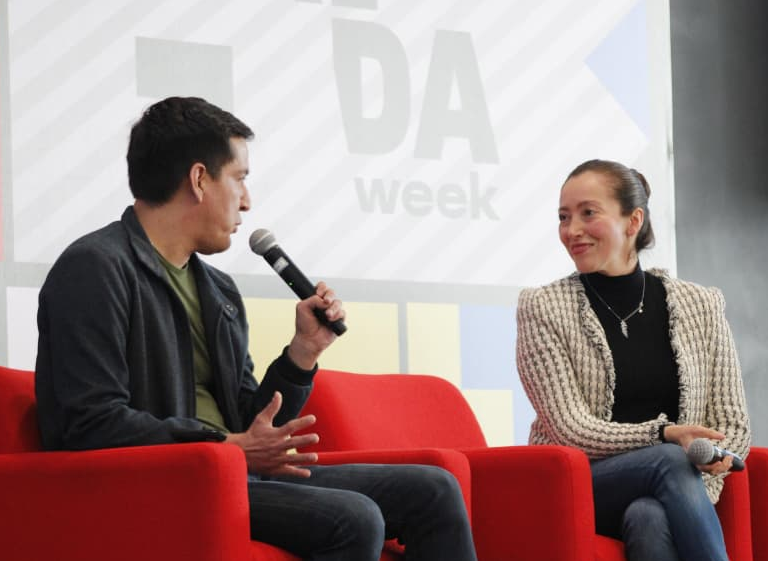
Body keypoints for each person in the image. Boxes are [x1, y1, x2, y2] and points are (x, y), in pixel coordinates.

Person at [35, 96, 477, 561]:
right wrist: (226, 447)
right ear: (199, 179)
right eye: (240, 178)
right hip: (167, 482)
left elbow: (251, 422)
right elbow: (90, 422)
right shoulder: (96, 268)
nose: (247, 201)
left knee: (435, 489)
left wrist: (303, 352)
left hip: (232, 472)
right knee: (355, 517)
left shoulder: (217, 290)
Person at [516, 159, 750, 561]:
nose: (572, 230)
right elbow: (571, 430)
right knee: (667, 461)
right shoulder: (542, 307)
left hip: (675, 487)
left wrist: (709, 459)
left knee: (648, 517)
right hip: (580, 485)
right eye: (563, 217)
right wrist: (665, 435)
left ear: (633, 221)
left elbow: (731, 422)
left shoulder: (701, 304)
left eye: (588, 213)